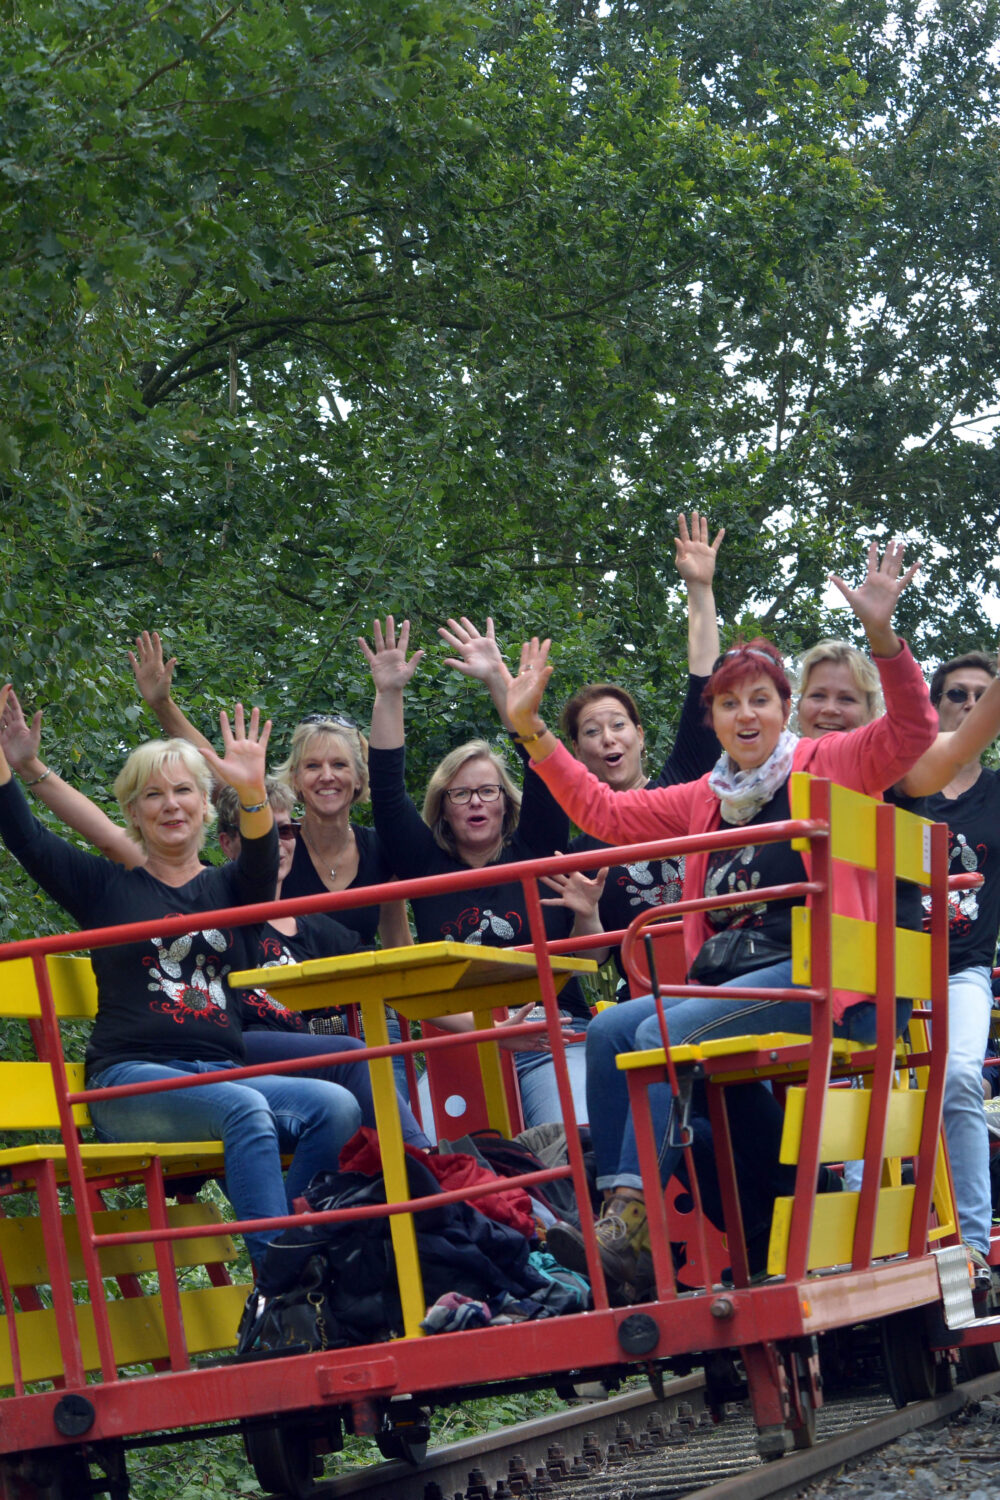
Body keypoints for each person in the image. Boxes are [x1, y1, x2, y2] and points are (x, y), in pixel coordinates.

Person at [504, 542, 938, 1300]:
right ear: (713, 718)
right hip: (741, 979)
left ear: (783, 711)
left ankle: (630, 1223)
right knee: (611, 1028)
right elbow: (601, 810)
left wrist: (883, 638)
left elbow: (910, 732)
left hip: (823, 974)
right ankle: (627, 1218)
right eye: (730, 703)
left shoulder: (828, 764)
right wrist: (533, 730)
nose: (746, 714)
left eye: (760, 700)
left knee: (656, 1031)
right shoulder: (706, 796)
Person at [0, 691, 361, 1271]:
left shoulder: (228, 889)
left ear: (201, 806)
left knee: (336, 1106)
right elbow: (26, 838)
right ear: (134, 812)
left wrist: (251, 793)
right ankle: (282, 1280)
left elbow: (262, 858)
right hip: (130, 1082)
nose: (171, 806)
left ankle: (304, 1239)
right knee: (246, 1108)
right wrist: (9, 764)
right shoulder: (106, 887)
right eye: (153, 795)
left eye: (183, 791)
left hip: (219, 1073)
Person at [0, 696, 430, 1150]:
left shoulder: (287, 917)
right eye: (277, 830)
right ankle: (422, 1170)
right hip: (187, 1061)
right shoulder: (160, 887)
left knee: (335, 1096)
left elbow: (385, 967)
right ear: (227, 843)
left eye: (290, 831)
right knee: (284, 1092)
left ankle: (401, 1182)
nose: (284, 842)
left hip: (227, 1063)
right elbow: (61, 840)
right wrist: (27, 768)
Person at [128, 635, 413, 1090]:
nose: (326, 777)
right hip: (281, 1010)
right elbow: (218, 772)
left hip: (359, 1007)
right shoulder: (275, 845)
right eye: (312, 766)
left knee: (395, 1071)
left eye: (339, 765)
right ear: (294, 780)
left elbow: (399, 945)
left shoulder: (380, 849)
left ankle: (413, 1157)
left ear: (360, 779)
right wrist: (162, 704)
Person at [361, 615, 606, 1128]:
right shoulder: (425, 863)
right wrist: (388, 692)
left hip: (548, 1033)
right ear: (444, 805)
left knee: (570, 1133)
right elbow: (385, 791)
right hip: (462, 1043)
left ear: (504, 802)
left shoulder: (536, 846)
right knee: (426, 1157)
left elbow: (544, 767)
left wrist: (498, 678)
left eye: (488, 790)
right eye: (461, 793)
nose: (475, 802)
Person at [562, 512, 723, 984]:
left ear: (639, 734)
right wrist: (587, 913)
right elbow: (590, 962)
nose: (608, 738)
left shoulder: (682, 784)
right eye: (592, 732)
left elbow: (705, 683)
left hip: (724, 972)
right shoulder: (581, 849)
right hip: (649, 995)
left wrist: (699, 588)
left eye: (618, 725)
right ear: (575, 751)